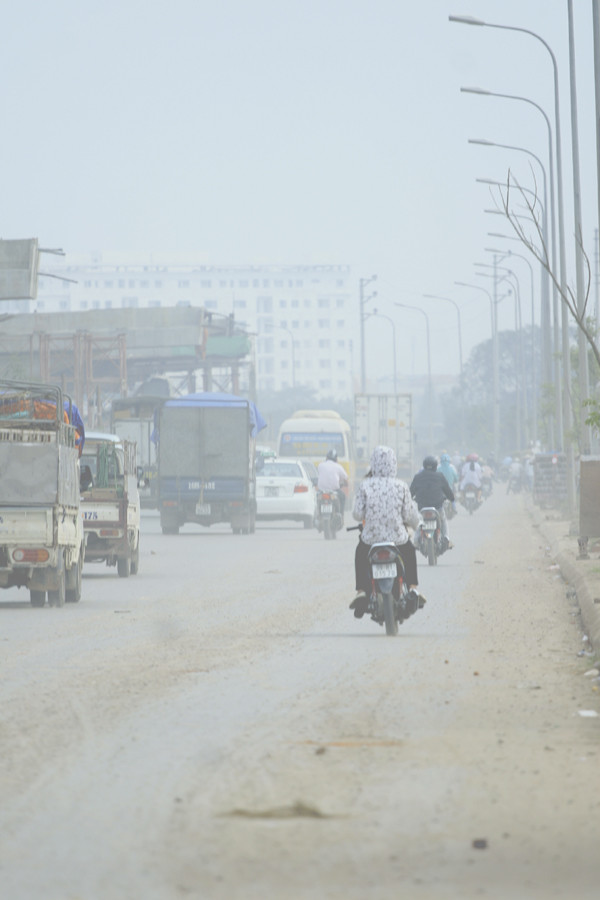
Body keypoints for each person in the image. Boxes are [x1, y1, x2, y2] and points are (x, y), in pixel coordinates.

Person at [350, 445, 423, 618]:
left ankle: (361, 590)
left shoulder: (365, 485)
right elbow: (409, 514)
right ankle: (412, 588)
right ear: (394, 464)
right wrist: (416, 524)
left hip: (371, 540)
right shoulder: (401, 486)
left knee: (360, 554)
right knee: (410, 552)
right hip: (397, 539)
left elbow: (357, 514)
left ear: (373, 464)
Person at [410, 455, 455, 550]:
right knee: (443, 520)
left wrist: (411, 499)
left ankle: (416, 541)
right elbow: (448, 490)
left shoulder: (418, 477)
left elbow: (411, 492)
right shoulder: (440, 476)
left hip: (422, 507)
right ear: (435, 466)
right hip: (437, 507)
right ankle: (446, 538)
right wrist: (451, 498)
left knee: (419, 523)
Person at [317, 448, 348, 515]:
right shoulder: (338, 467)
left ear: (327, 458)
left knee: (315, 499)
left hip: (321, 491)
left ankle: (316, 515)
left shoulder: (320, 465)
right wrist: (345, 483)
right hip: (335, 490)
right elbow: (345, 477)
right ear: (336, 459)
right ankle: (341, 515)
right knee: (343, 497)